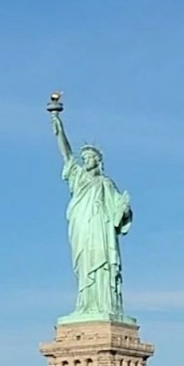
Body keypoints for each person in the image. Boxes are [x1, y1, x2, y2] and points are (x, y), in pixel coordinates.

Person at [51, 111, 133, 320]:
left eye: (90, 157)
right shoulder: (77, 177)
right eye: (84, 157)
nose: (86, 160)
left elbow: (118, 213)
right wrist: (59, 129)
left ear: (98, 161)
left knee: (102, 264)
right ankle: (85, 306)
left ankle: (106, 305)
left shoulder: (106, 184)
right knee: (85, 264)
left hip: (100, 229)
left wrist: (123, 210)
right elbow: (67, 155)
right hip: (82, 226)